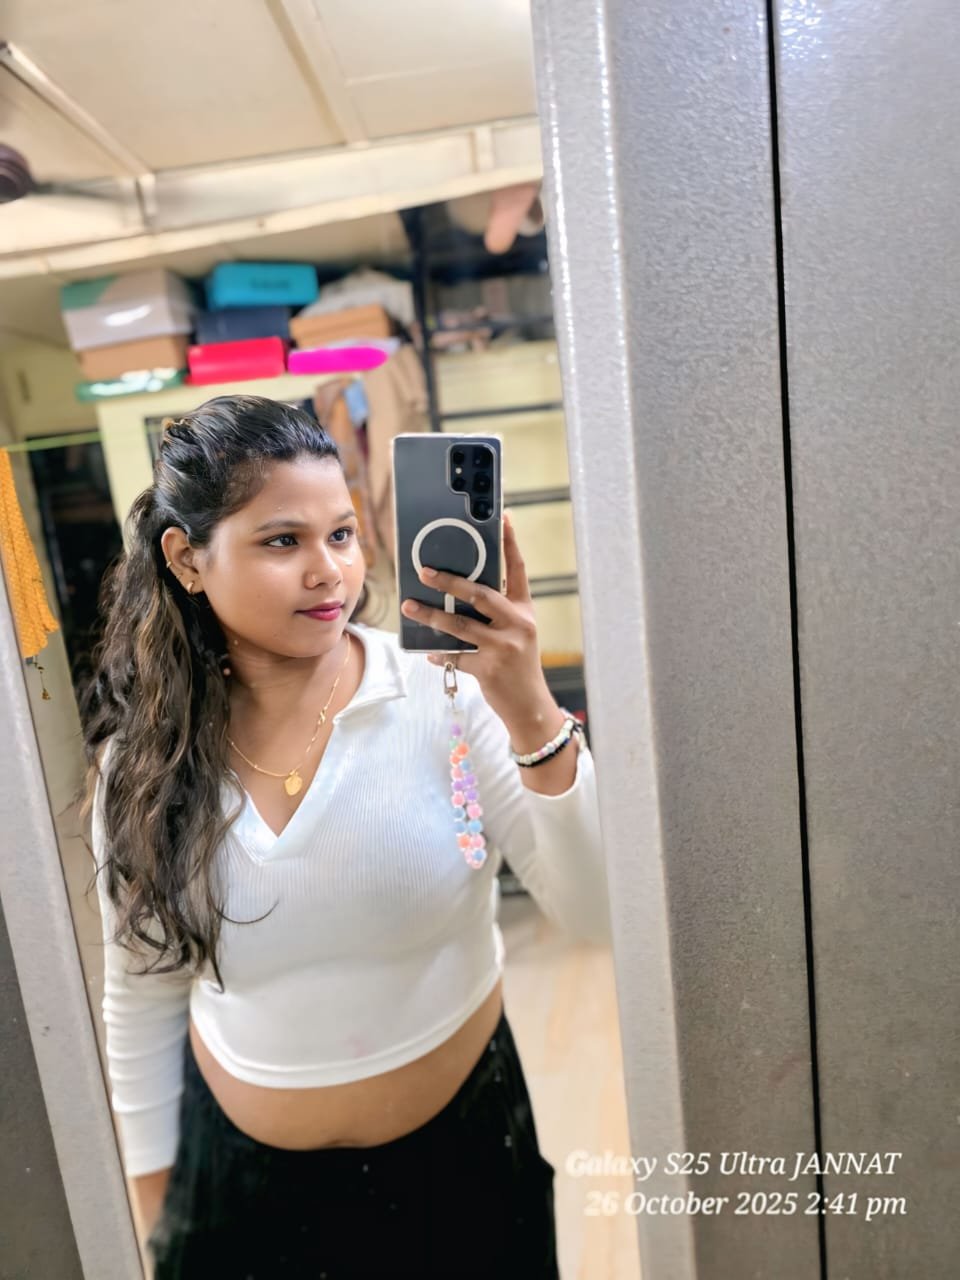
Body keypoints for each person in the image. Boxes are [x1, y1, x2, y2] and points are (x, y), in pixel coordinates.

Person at [79, 394, 611, 1278]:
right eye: (282, 540)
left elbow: (595, 913)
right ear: (186, 558)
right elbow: (140, 993)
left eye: (341, 534)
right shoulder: (144, 764)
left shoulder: (444, 691)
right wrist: (154, 1199)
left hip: (464, 1170)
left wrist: (530, 711)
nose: (329, 571)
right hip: (236, 1197)